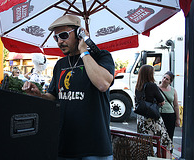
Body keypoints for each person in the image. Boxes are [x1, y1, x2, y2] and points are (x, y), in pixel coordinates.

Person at [22, 15, 115, 160]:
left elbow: (103, 84)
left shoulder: (101, 56)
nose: (60, 41)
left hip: (95, 147)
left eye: (64, 35)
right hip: (66, 145)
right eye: (56, 38)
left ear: (79, 34)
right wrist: (38, 94)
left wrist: (84, 50)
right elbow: (53, 96)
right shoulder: (60, 64)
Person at [135, 65, 173, 154]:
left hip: (141, 119)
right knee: (165, 142)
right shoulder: (152, 86)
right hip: (152, 118)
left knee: (145, 145)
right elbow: (162, 101)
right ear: (149, 74)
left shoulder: (138, 87)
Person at [159, 71, 180, 152]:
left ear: (170, 82)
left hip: (170, 115)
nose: (164, 80)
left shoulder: (173, 90)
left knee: (169, 136)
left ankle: (168, 153)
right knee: (159, 135)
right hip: (160, 114)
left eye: (167, 79)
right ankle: (159, 153)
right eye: (164, 77)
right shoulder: (156, 88)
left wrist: (177, 118)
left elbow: (176, 105)